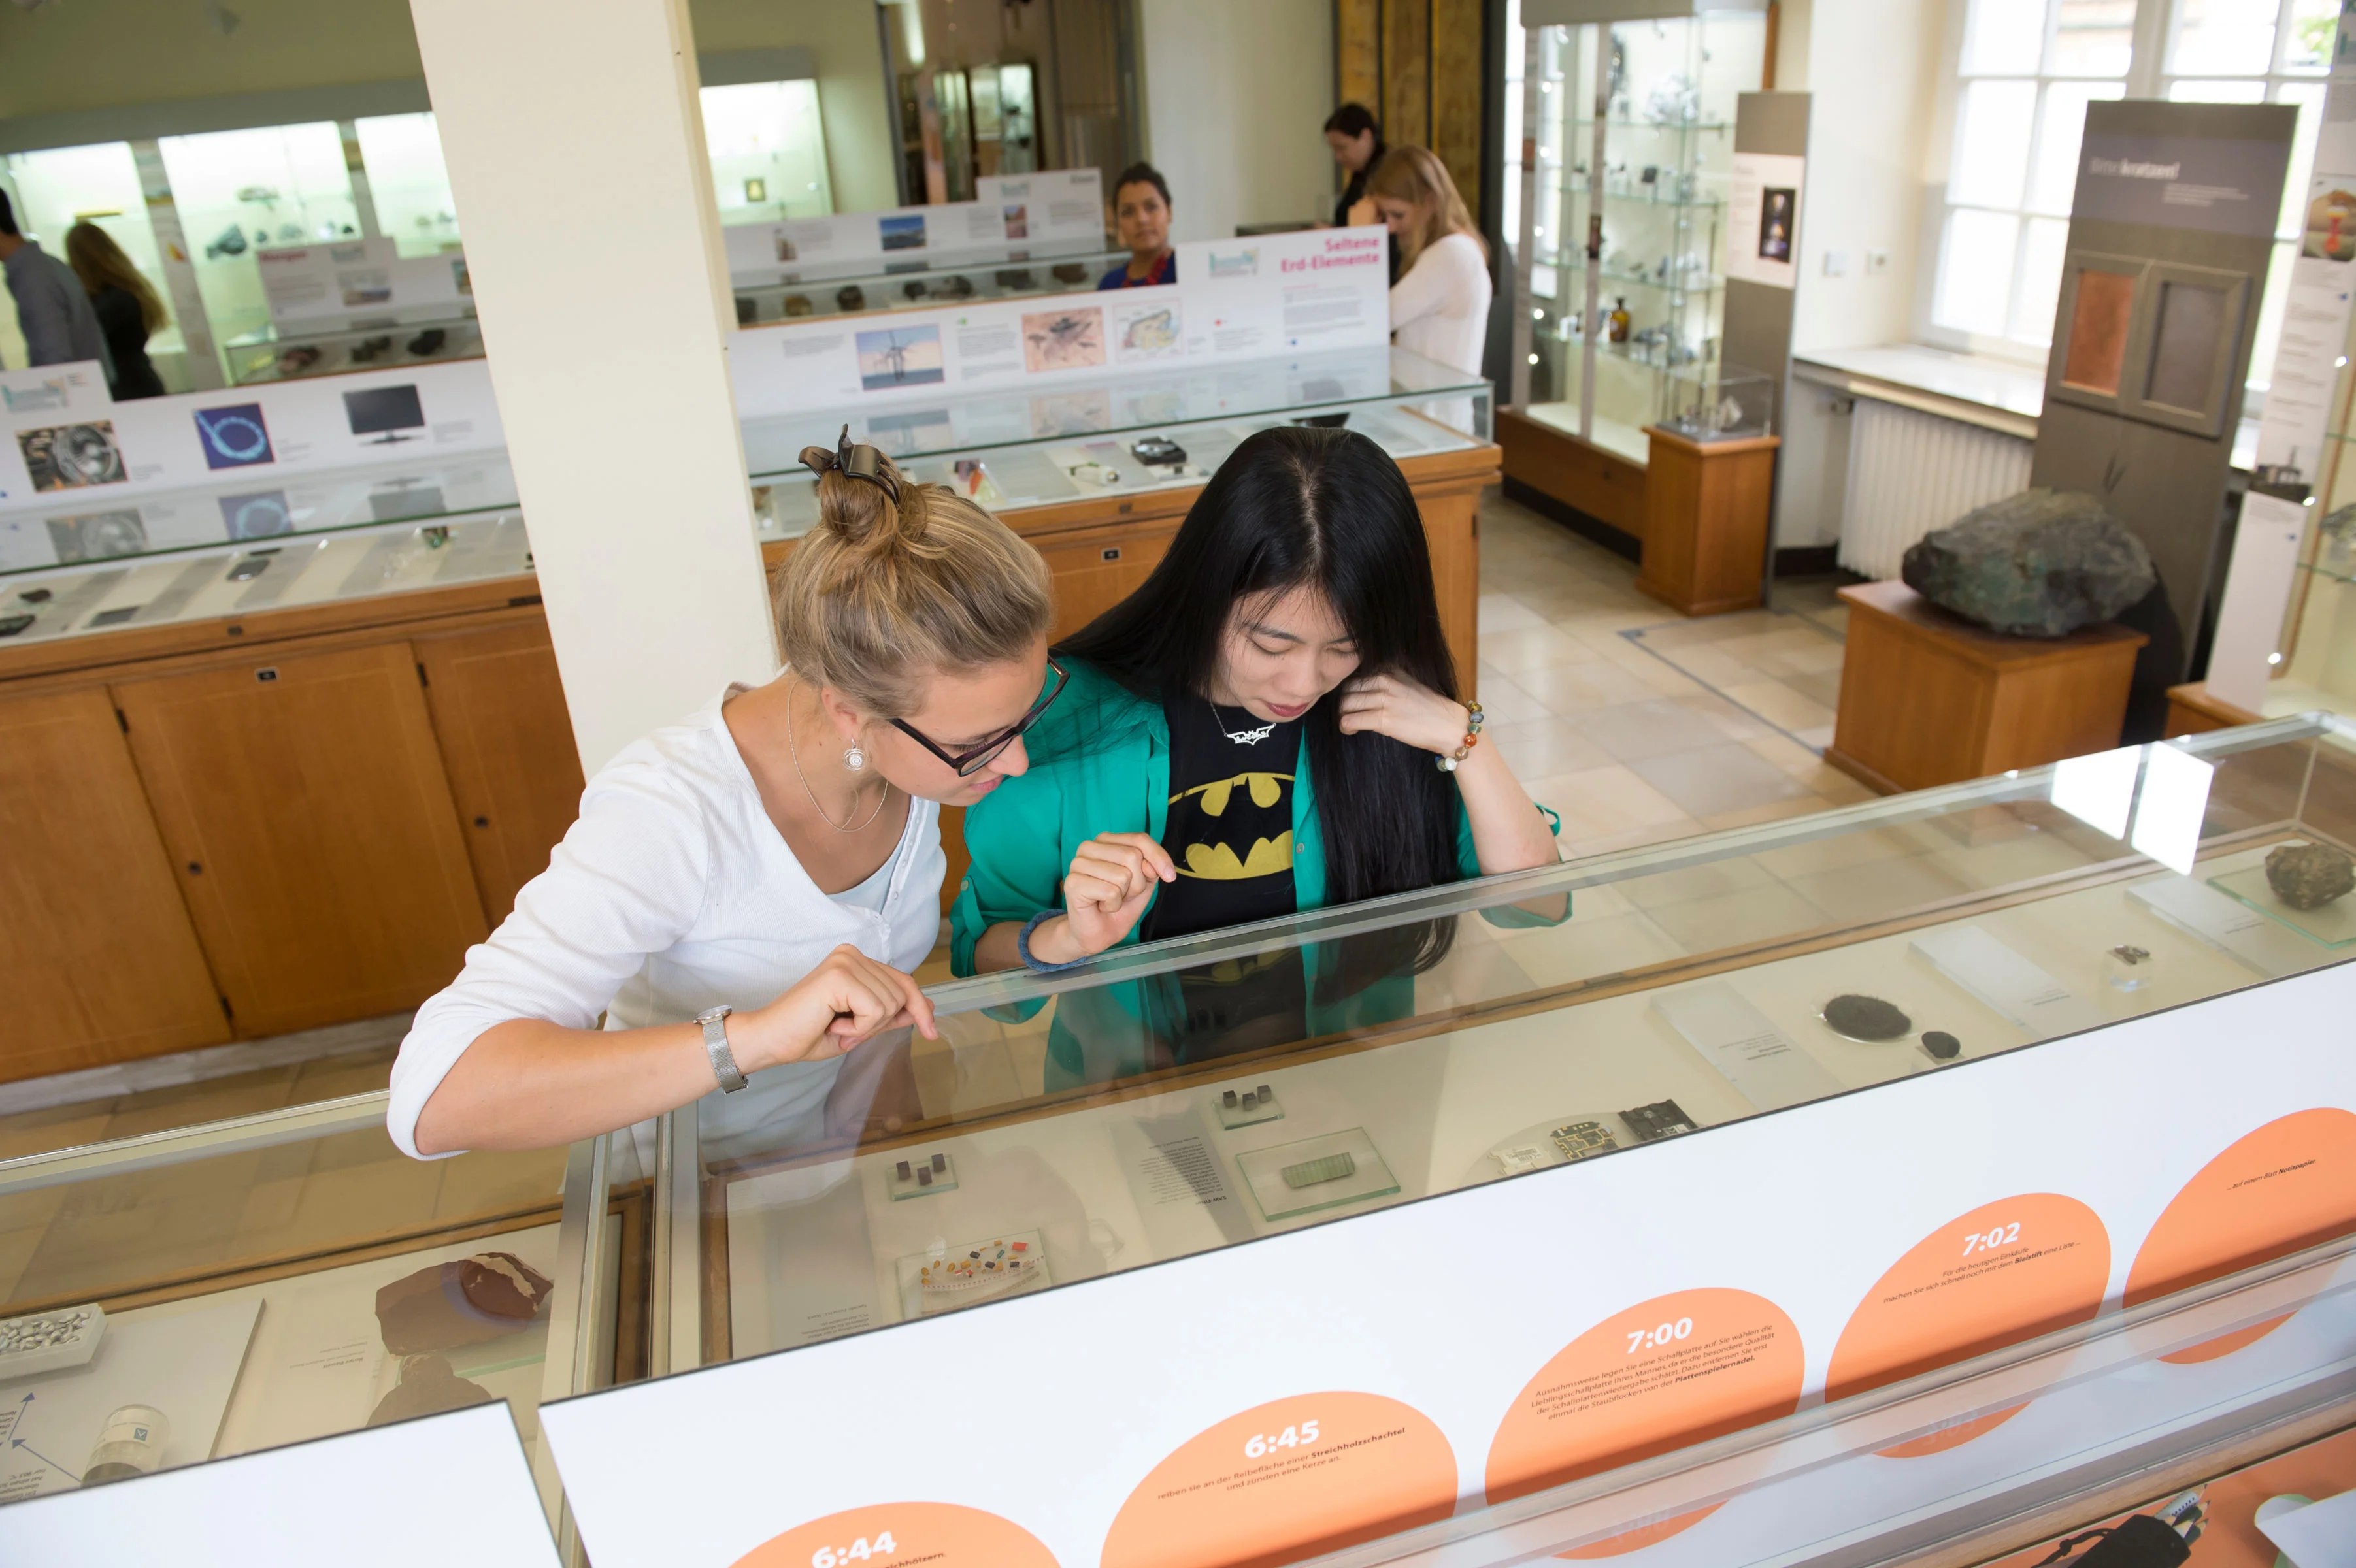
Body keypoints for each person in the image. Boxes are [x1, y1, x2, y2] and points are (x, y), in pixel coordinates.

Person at [391, 433, 1061, 1158]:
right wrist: (753, 1038)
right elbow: (435, 1098)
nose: (1016, 761)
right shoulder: (670, 810)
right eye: (976, 743)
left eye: (1023, 718)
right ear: (849, 713)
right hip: (685, 1190)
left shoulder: (909, 752)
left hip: (833, 1169)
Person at [952, 426, 1561, 1076]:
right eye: (1271, 646)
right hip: (1137, 1091)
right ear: (1205, 594)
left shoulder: (1392, 712)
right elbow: (981, 966)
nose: (1303, 685)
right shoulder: (1066, 722)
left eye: (1344, 647)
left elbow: (1536, 901)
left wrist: (1466, 740)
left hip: (1357, 1081)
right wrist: (1065, 937)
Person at [1369, 145, 1493, 377]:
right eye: (1385, 215)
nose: (1390, 227)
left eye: (1398, 215)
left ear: (1430, 202)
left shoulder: (1449, 254)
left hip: (1434, 399)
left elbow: (1372, 320)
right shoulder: (1455, 250)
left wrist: (1359, 238)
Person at [0, 191, 113, 380]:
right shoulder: (46, 265)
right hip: (88, 389)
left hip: (76, 393)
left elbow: (53, 359)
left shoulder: (32, 275)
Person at [65, 221, 167, 400]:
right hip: (138, 383)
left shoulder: (112, 301)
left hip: (124, 389)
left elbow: (79, 341)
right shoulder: (128, 292)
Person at [1099, 163, 1176, 289]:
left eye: (1151, 207)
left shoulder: (1190, 272)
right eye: (1128, 212)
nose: (1141, 219)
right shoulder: (1109, 285)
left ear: (1169, 212)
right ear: (1118, 222)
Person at [1323, 103, 1386, 229]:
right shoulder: (1360, 173)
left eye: (1342, 148)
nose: (1338, 157)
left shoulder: (1388, 172)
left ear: (1365, 137)